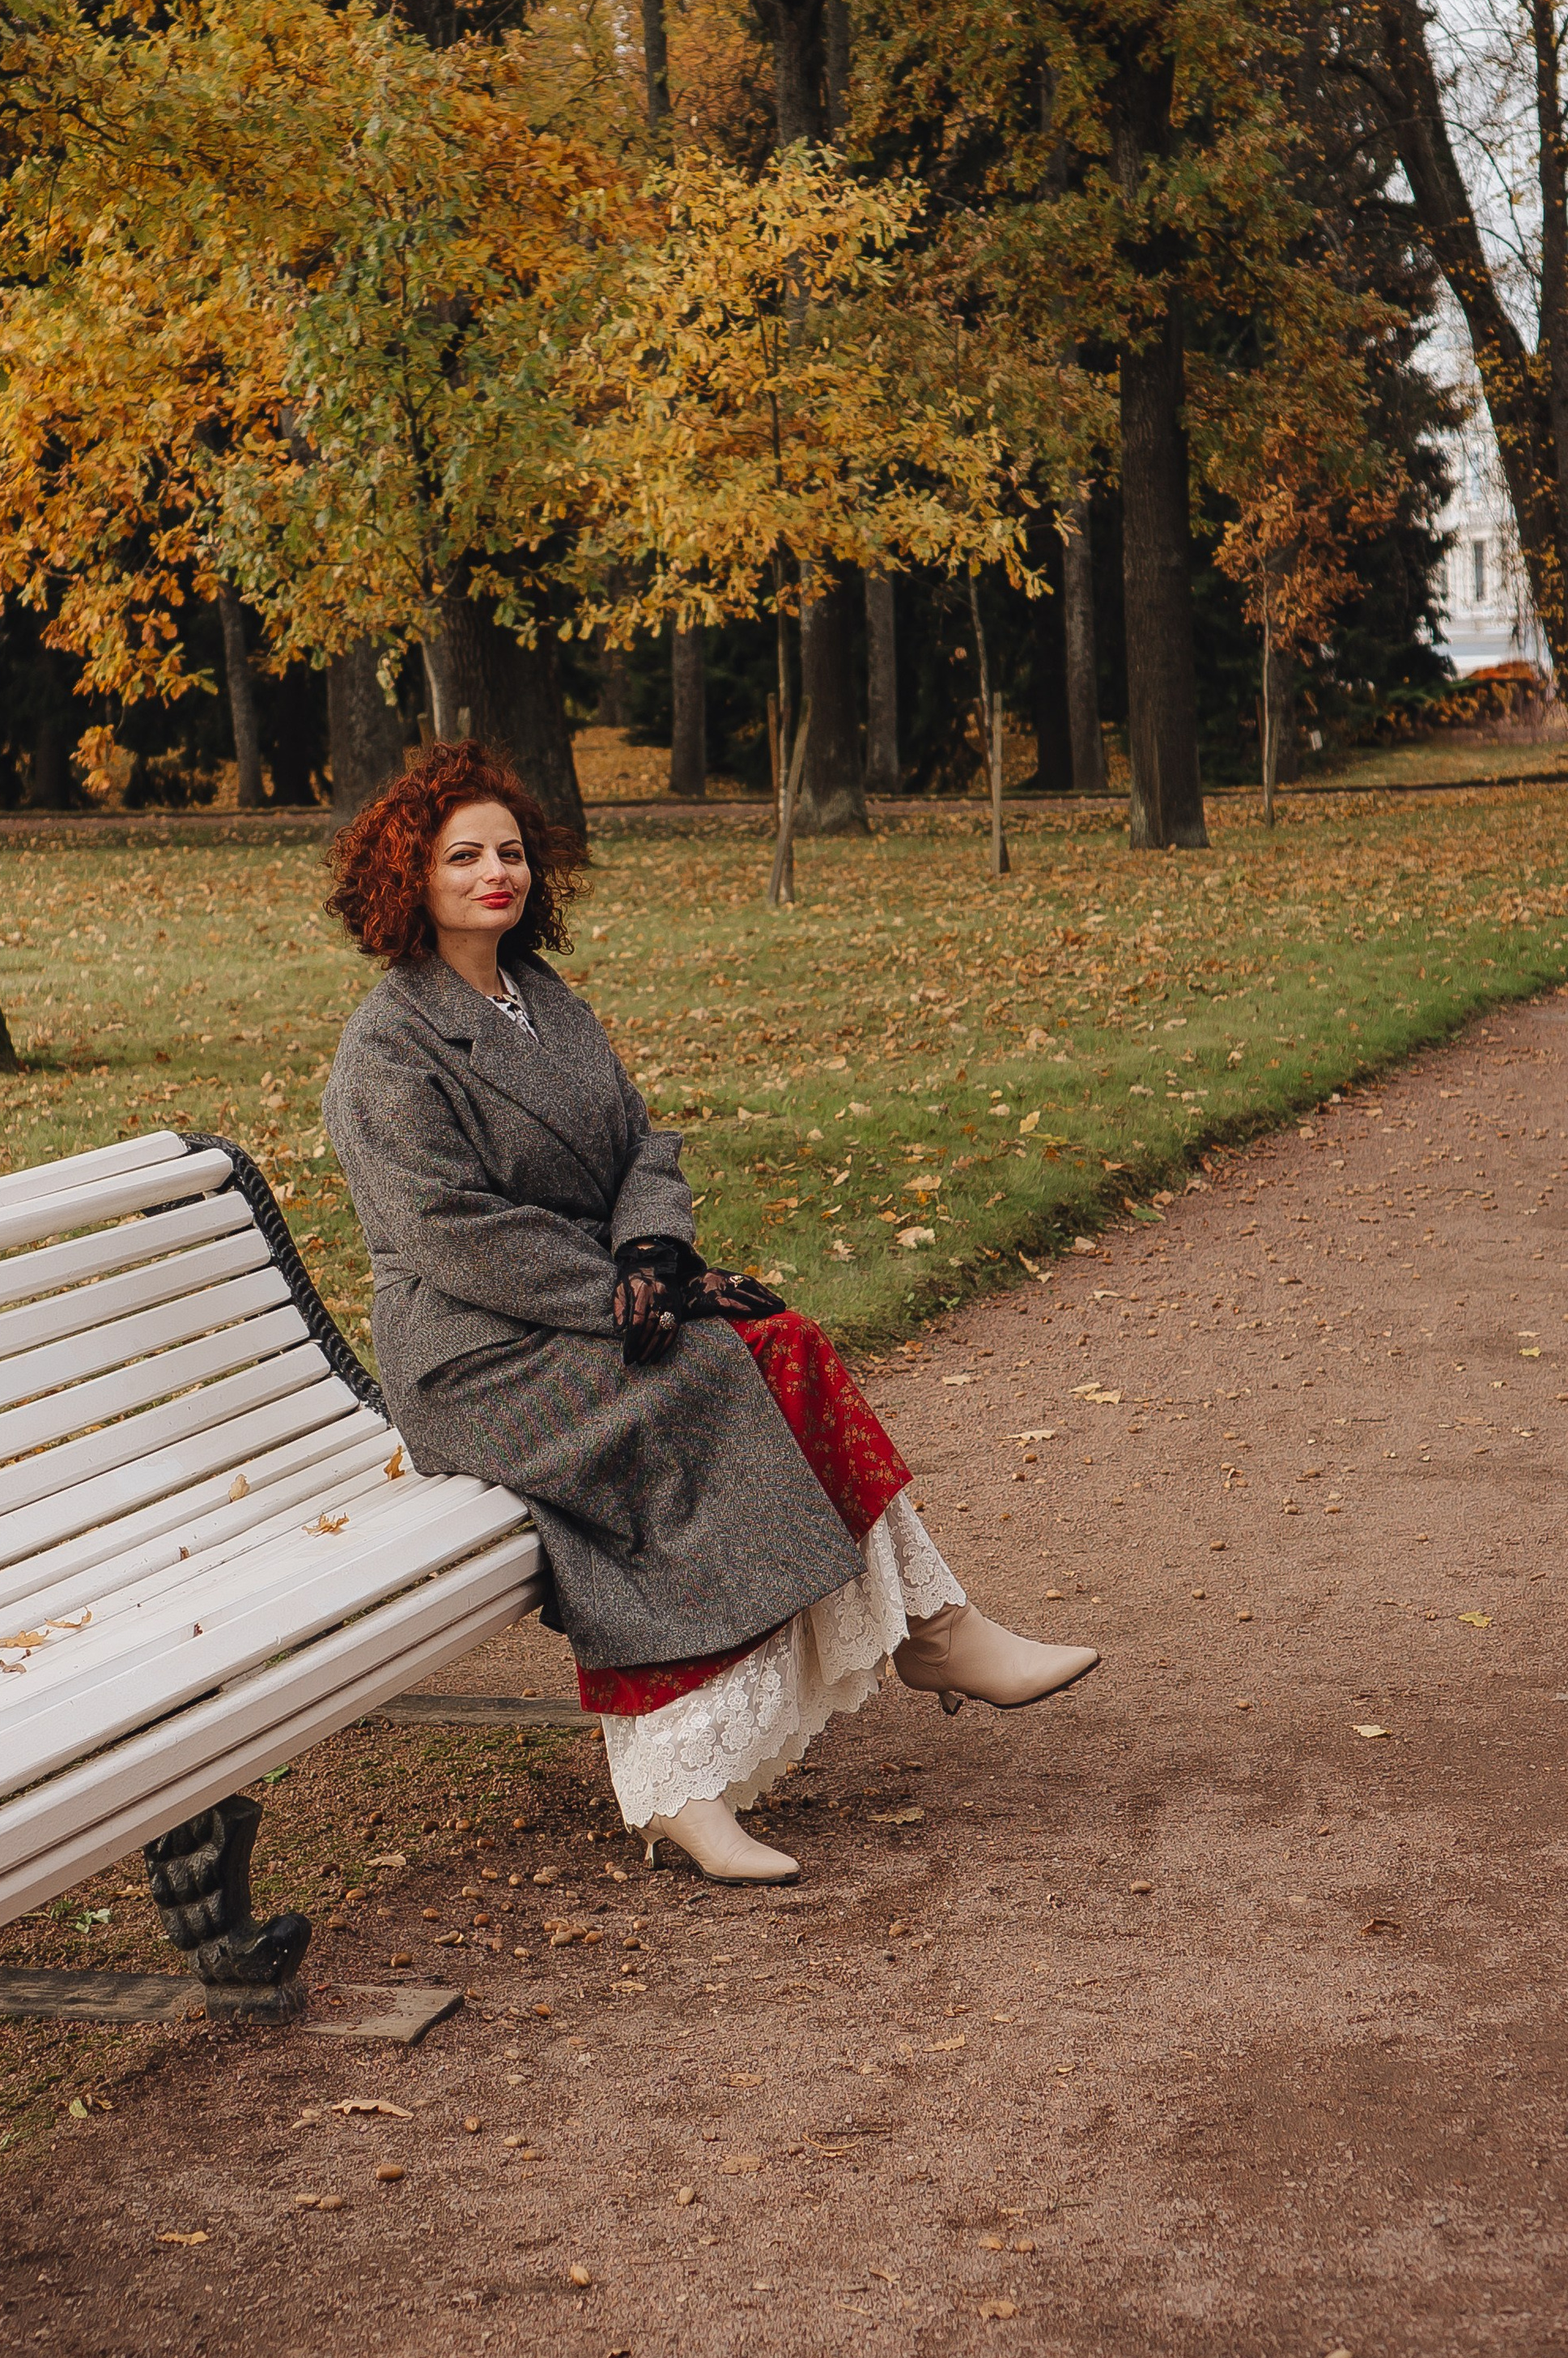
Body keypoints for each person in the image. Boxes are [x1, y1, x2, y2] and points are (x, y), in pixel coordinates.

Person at [321, 740, 1098, 1883]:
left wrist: (653, 1252)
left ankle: (934, 1629)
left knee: (781, 1341)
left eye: (513, 853)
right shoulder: (387, 1047)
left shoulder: (544, 1000)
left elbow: (643, 1142)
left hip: (586, 1308)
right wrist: (641, 1293)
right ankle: (685, 1777)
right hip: (474, 1359)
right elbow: (454, 1239)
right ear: (409, 878)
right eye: (465, 856)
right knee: (710, 1377)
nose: (499, 874)